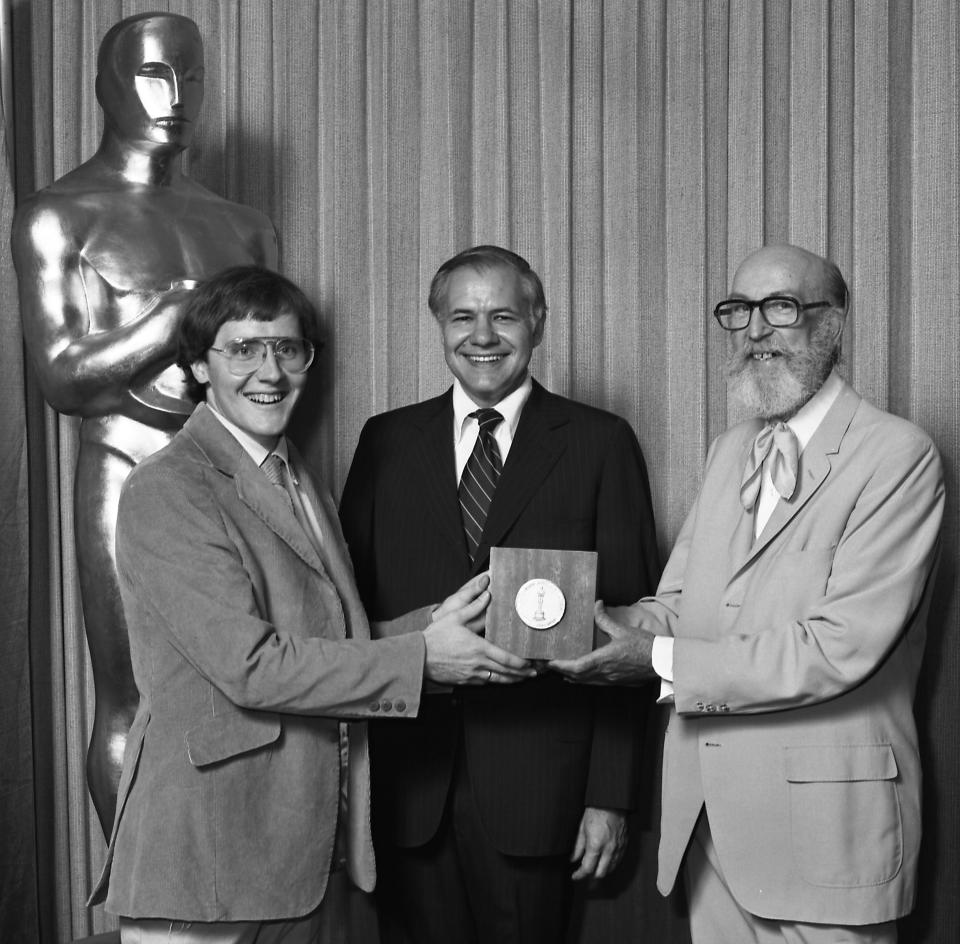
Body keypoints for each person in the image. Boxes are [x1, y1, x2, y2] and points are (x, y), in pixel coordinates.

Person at [87, 266, 533, 942]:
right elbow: (251, 665)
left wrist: (432, 627)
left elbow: (324, 634)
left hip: (293, 849)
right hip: (204, 852)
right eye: (242, 349)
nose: (269, 369)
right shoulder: (170, 487)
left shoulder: (297, 479)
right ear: (200, 367)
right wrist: (421, 659)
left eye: (287, 349)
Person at [551, 244, 945, 944]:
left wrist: (655, 660)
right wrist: (586, 622)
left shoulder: (898, 456)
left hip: (829, 841)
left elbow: (837, 647)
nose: (756, 329)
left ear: (834, 322)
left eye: (781, 307)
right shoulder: (731, 449)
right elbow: (680, 606)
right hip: (713, 831)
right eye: (740, 311)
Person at [339, 245, 661, 944]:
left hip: (542, 794)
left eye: (503, 315)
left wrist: (610, 797)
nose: (482, 336)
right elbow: (341, 617)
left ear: (538, 322)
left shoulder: (600, 444)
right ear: (439, 325)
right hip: (408, 791)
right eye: (462, 317)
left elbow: (632, 632)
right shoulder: (385, 442)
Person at [11, 12, 279, 834]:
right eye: (152, 76)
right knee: (133, 695)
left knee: (252, 683)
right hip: (126, 466)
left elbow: (269, 370)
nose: (175, 97)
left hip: (237, 477)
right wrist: (170, 320)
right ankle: (137, 905)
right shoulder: (59, 214)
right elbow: (61, 377)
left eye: (190, 76)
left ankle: (229, 893)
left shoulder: (244, 225)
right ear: (105, 89)